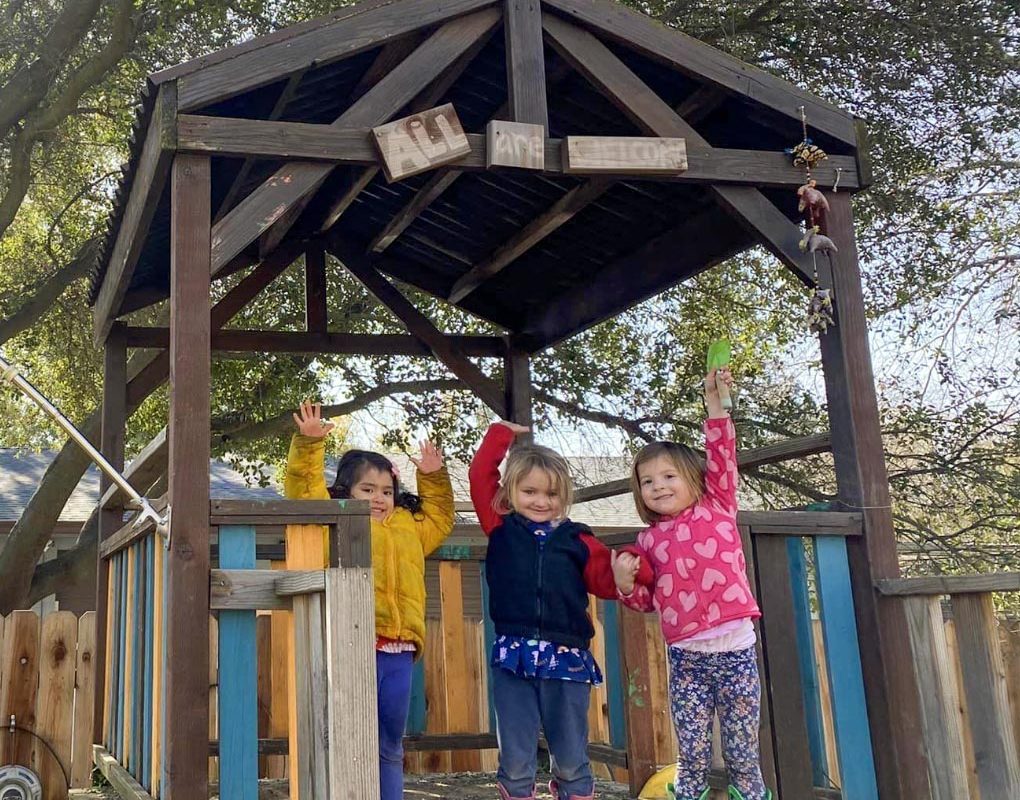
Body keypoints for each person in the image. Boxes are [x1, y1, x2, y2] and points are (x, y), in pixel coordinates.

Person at [611, 369, 773, 800]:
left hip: (735, 651)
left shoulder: (718, 505)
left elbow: (722, 455)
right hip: (686, 659)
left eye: (668, 476)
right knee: (693, 752)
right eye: (648, 481)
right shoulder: (648, 541)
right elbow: (646, 600)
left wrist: (716, 408)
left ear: (694, 479)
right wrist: (626, 584)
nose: (658, 486)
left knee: (742, 751)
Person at [470, 420, 652, 800]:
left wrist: (625, 575)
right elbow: (479, 472)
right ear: (511, 492)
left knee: (570, 755)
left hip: (567, 661)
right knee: (517, 756)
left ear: (564, 496)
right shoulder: (499, 527)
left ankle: (572, 790)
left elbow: (606, 578)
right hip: (513, 659)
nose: (541, 500)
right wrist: (500, 434)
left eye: (551, 493)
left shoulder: (578, 540)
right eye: (529, 491)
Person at [285, 401, 454, 800]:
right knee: (347, 739)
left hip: (400, 649)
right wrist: (308, 446)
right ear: (346, 491)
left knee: (390, 742)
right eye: (368, 489)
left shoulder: (411, 528)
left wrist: (432, 476)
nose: (379, 497)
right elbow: (301, 492)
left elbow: (441, 518)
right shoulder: (337, 518)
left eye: (386, 491)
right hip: (351, 643)